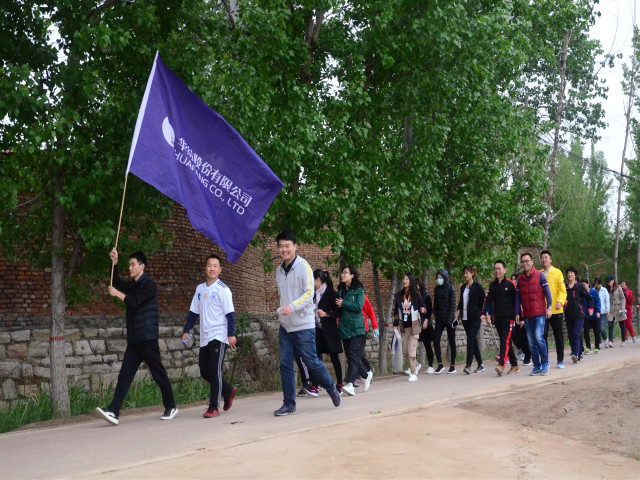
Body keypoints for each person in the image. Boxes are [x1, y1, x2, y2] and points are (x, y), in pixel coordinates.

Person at [96, 249, 177, 425]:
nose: (130, 268)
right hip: (134, 339)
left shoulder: (149, 285)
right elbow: (117, 281)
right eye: (129, 265)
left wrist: (118, 294)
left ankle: (171, 406)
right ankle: (113, 411)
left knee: (158, 374)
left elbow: (134, 302)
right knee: (125, 375)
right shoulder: (133, 285)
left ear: (142, 266)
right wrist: (115, 263)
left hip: (147, 338)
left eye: (133, 265)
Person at [274, 231, 341, 416]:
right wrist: (282, 310)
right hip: (285, 326)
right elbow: (283, 296)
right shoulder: (279, 271)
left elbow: (309, 293)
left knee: (312, 362)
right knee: (285, 364)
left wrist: (292, 307)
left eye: (287, 246)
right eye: (281, 246)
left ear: (295, 246)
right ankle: (289, 404)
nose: (284, 250)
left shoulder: (303, 267)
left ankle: (331, 388)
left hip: (303, 325)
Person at [181, 255, 237, 418]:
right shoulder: (200, 289)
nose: (212, 268)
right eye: (209, 266)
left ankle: (214, 406)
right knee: (205, 371)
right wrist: (186, 330)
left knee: (214, 370)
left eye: (215, 266)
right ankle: (228, 391)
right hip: (205, 336)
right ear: (205, 269)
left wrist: (231, 335)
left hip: (219, 335)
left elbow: (230, 315)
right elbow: (193, 312)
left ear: (220, 270)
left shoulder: (223, 289)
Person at [515, 252, 552, 376]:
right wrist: (517, 313)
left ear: (532, 262)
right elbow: (518, 297)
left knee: (538, 338)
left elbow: (547, 293)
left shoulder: (540, 276)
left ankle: (545, 363)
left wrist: (549, 307)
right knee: (531, 342)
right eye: (523, 262)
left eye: (527, 261)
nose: (525, 263)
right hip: (527, 315)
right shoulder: (520, 279)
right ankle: (536, 365)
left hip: (540, 313)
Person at [481, 260, 519, 376]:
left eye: (499, 268)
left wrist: (519, 315)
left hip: (509, 318)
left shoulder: (510, 284)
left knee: (504, 341)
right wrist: (483, 313)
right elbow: (488, 300)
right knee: (506, 341)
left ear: (505, 270)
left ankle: (501, 365)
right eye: (495, 269)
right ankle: (514, 365)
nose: (497, 271)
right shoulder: (492, 285)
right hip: (497, 319)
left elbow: (517, 301)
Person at [311, 269, 344, 394]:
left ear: (318, 280)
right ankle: (315, 385)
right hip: (317, 330)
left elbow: (338, 312)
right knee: (315, 357)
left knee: (334, 357)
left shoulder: (331, 293)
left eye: (313, 281)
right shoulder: (313, 294)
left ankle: (339, 383)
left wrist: (326, 314)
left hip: (329, 330)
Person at [336, 266, 368, 396]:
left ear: (352, 275)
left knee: (354, 355)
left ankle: (350, 384)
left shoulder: (359, 290)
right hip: (344, 328)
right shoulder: (341, 290)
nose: (343, 275)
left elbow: (358, 307)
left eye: (345, 273)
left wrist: (344, 303)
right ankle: (366, 374)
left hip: (356, 328)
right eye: (342, 273)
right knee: (350, 356)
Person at [393, 274, 426, 382]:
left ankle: (413, 373)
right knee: (405, 352)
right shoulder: (399, 296)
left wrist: (422, 309)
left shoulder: (416, 295)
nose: (404, 281)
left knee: (411, 350)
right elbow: (396, 312)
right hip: (404, 327)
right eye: (404, 279)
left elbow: (423, 306)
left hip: (414, 327)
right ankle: (416, 364)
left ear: (411, 281)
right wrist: (395, 324)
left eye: (407, 279)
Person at [455, 266, 485, 375]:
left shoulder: (478, 287)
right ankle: (480, 364)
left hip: (475, 317)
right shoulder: (463, 287)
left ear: (472, 273)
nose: (465, 275)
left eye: (467, 273)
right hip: (465, 318)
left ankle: (468, 365)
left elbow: (483, 301)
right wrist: (456, 316)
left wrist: (483, 314)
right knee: (473, 340)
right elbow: (461, 303)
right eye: (464, 273)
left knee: (470, 339)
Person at [539, 250, 567, 368]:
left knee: (558, 336)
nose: (544, 260)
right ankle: (545, 361)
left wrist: (560, 302)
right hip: (542, 310)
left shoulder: (557, 273)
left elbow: (562, 290)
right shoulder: (539, 274)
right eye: (542, 258)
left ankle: (560, 360)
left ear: (550, 260)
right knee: (542, 336)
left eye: (546, 257)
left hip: (556, 310)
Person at [564, 268, 593, 363]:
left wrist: (590, 309)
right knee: (572, 335)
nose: (569, 274)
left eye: (571, 273)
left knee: (576, 334)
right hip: (568, 314)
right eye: (568, 273)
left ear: (575, 275)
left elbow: (589, 298)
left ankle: (575, 354)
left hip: (579, 314)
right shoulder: (564, 287)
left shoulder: (579, 286)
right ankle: (579, 353)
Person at [432, 270, 457, 374]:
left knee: (451, 341)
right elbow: (436, 303)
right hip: (439, 318)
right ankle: (440, 364)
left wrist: (450, 319)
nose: (439, 279)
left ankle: (452, 365)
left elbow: (452, 304)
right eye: (438, 278)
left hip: (449, 319)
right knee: (436, 339)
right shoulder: (437, 289)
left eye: (441, 278)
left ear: (445, 278)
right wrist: (434, 312)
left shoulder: (451, 288)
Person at [357, 294, 378, 386]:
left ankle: (360, 376)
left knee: (356, 354)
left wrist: (375, 327)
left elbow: (370, 312)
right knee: (354, 354)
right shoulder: (344, 296)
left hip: (362, 329)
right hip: (349, 330)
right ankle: (368, 370)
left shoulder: (362, 297)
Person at [417, 279, 435, 374]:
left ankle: (431, 365)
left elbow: (430, 310)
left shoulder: (426, 295)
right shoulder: (413, 296)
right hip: (416, 324)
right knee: (412, 346)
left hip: (425, 324)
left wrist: (426, 320)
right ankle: (414, 365)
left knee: (427, 345)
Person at [582, 279, 601, 354]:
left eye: (584, 285)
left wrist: (598, 311)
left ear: (588, 284)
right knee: (586, 331)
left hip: (595, 315)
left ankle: (597, 347)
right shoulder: (582, 293)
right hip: (586, 316)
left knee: (597, 331)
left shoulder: (594, 292)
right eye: (582, 285)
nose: (583, 286)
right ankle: (588, 347)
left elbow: (598, 302)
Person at [607, 276, 627, 346]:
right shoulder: (607, 289)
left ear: (613, 281)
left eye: (610, 281)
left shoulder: (618, 288)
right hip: (611, 309)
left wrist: (623, 308)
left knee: (622, 325)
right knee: (610, 325)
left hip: (619, 308)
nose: (609, 283)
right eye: (608, 282)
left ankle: (623, 340)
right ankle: (610, 341)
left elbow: (623, 298)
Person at [594, 278, 611, 348]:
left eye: (598, 284)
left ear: (600, 284)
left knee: (601, 328)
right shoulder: (593, 290)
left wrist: (608, 310)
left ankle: (605, 339)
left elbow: (607, 300)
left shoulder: (604, 290)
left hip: (603, 312)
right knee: (597, 328)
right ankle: (599, 342)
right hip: (595, 312)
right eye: (596, 284)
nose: (597, 285)